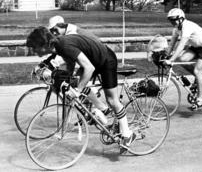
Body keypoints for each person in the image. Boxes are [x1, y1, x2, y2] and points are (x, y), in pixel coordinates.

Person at [26, 26, 136, 154]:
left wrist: (78, 90)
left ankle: (128, 134)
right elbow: (67, 63)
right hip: (93, 61)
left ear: (44, 44)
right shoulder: (57, 46)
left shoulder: (63, 45)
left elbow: (89, 68)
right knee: (73, 86)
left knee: (112, 100)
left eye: (34, 47)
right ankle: (95, 112)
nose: (33, 51)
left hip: (105, 60)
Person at [165, 8, 202, 110]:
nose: (172, 22)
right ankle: (197, 80)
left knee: (198, 71)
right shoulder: (176, 29)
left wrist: (171, 60)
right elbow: (172, 44)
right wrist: (166, 55)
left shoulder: (187, 26)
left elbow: (181, 45)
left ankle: (200, 99)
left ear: (181, 18)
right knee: (182, 58)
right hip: (196, 47)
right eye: (170, 20)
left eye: (174, 19)